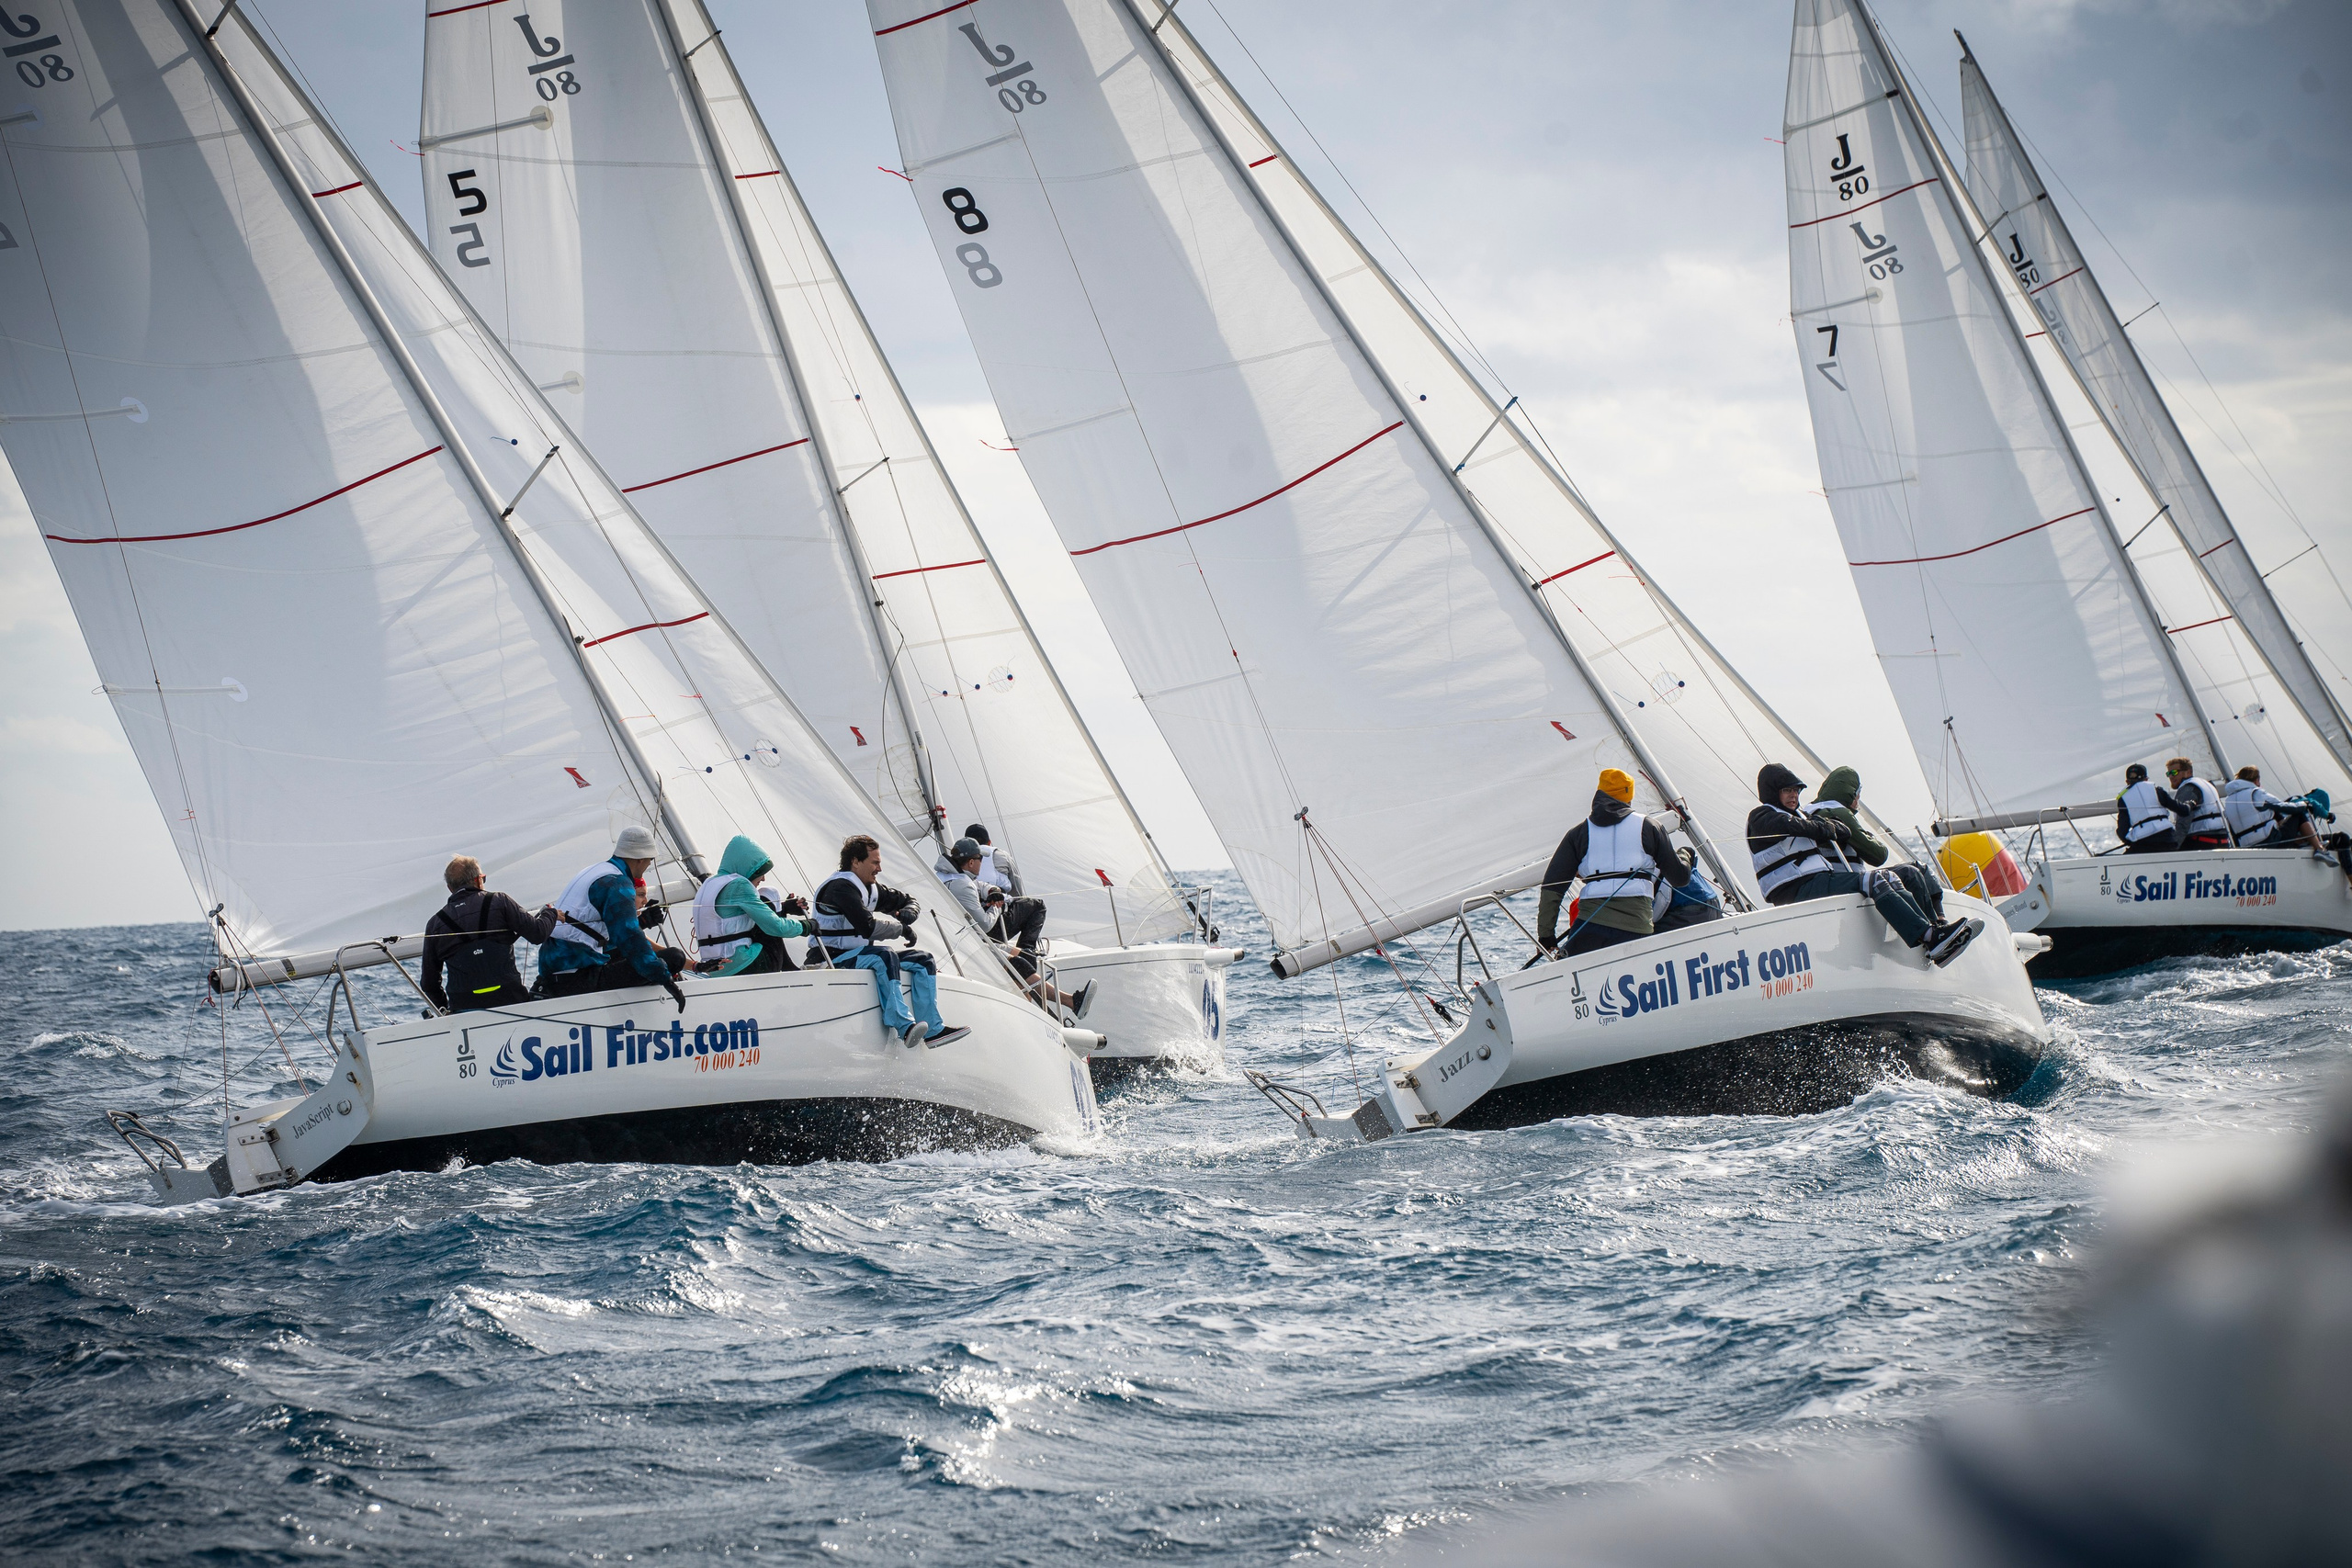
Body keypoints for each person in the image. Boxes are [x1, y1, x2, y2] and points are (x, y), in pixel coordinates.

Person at [1750, 763, 1981, 967]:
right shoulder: (1761, 816)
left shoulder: (1798, 815)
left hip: (1815, 881)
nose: (1793, 796)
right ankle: (1930, 935)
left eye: (1796, 790)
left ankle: (1933, 934)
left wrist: (1825, 826)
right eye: (1786, 790)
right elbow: (1792, 825)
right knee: (1874, 879)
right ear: (1773, 792)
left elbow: (1839, 829)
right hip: (1794, 890)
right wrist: (1822, 826)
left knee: (1888, 878)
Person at [816, 834, 967, 1048]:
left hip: (860, 957)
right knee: (884, 955)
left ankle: (933, 1030)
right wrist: (901, 929)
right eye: (875, 862)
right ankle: (904, 1026)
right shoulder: (840, 888)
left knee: (923, 960)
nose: (879, 869)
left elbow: (908, 900)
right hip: (831, 959)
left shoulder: (870, 888)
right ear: (856, 862)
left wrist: (909, 913)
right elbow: (867, 928)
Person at [1535, 768, 1693, 956]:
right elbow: (1680, 879)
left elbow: (1553, 887)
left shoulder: (1578, 834)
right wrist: (1685, 856)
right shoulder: (1649, 827)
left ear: (1599, 793)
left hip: (1588, 928)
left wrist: (1546, 936)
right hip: (1636, 928)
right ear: (1629, 797)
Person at [936, 837, 1095, 1019]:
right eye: (981, 859)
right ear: (971, 862)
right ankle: (1063, 1004)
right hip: (965, 945)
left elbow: (978, 885)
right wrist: (995, 905)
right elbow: (986, 925)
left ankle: (1063, 1002)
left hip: (963, 938)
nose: (982, 862)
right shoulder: (961, 885)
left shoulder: (951, 876)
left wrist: (991, 891)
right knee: (1019, 964)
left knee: (1025, 957)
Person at [534, 824, 688, 1010]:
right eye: (650, 859)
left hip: (553, 973)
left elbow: (604, 933)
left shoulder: (595, 871)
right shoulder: (618, 883)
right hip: (576, 978)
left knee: (639, 957)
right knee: (674, 958)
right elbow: (629, 938)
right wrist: (666, 979)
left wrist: (643, 922)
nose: (649, 865)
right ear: (640, 858)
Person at [1810, 766, 1950, 930]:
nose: (1858, 799)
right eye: (1857, 795)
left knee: (1918, 868)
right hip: (1851, 882)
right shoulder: (1839, 813)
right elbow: (1878, 856)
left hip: (1834, 881)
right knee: (1913, 873)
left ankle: (1939, 921)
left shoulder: (1809, 811)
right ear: (1850, 794)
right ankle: (1935, 927)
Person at [420, 854, 560, 1013]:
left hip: (463, 1009)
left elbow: (429, 983)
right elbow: (538, 934)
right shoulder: (500, 901)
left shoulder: (435, 924)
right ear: (478, 880)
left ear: (450, 888)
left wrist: (444, 1010)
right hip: (511, 999)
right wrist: (550, 913)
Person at [691, 834, 812, 976]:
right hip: (744, 966)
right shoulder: (739, 885)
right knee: (770, 893)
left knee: (765, 901)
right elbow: (775, 927)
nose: (764, 878)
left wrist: (784, 908)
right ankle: (789, 969)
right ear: (749, 868)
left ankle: (789, 967)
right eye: (761, 872)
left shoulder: (708, 884)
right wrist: (807, 927)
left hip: (714, 970)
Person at [2221, 765, 2322, 852]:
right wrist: (2303, 804)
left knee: (2275, 820)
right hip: (2270, 842)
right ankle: (2319, 849)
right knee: (2299, 814)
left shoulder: (2228, 801)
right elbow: (2283, 806)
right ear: (2257, 780)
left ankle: (2301, 843)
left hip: (2247, 848)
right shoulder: (2256, 793)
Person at [1650, 845, 1725, 933]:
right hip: (1712, 901)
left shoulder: (1649, 867)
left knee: (1648, 934)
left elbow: (1662, 902)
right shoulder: (1666, 854)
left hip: (1695, 907)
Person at [2165, 757, 2232, 850]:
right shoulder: (2206, 784)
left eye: (2175, 772)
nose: (2171, 776)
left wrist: (2174, 847)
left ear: (2189, 772)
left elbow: (2184, 821)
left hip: (2202, 840)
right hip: (2223, 838)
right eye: (2168, 773)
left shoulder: (2188, 788)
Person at [2116, 761, 2179, 853]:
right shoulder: (2157, 790)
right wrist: (2190, 805)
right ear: (2146, 779)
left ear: (2127, 782)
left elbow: (2122, 831)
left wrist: (2130, 842)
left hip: (2143, 843)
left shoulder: (2123, 798)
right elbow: (2181, 810)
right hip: (2168, 839)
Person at [963, 823, 1021, 896]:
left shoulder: (960, 857)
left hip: (968, 898)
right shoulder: (1003, 855)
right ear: (989, 842)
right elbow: (1016, 882)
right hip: (999, 901)